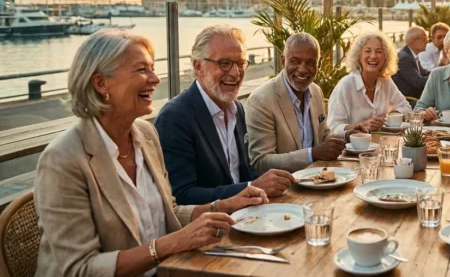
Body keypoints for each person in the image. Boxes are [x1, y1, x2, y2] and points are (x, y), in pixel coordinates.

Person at [35, 30, 268, 277]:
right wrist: (173, 243)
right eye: (141, 70)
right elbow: (79, 270)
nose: (156, 79)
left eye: (153, 68)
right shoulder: (62, 160)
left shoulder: (145, 135)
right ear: (101, 83)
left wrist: (224, 204)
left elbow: (168, 211)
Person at [156, 25, 295, 202]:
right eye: (225, 63)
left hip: (249, 218)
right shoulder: (174, 118)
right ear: (198, 66)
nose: (236, 73)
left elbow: (243, 173)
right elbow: (182, 196)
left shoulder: (237, 109)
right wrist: (251, 188)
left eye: (240, 63)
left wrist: (271, 183)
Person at [246, 33, 345, 174]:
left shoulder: (315, 91)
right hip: (285, 189)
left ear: (319, 65)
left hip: (319, 180)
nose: (303, 69)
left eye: (310, 63)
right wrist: (312, 154)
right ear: (282, 61)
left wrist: (347, 137)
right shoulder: (261, 100)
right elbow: (261, 162)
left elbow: (323, 136)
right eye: (295, 61)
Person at [328, 31, 411, 134]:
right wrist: (360, 126)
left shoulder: (385, 81)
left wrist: (385, 117)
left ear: (386, 57)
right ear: (359, 56)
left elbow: (406, 108)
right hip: (352, 147)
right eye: (367, 51)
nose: (373, 56)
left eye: (379, 51)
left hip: (381, 143)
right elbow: (333, 127)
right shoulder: (346, 85)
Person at [392, 26, 430, 103]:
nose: (427, 42)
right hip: (408, 101)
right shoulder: (403, 58)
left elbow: (424, 73)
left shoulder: (411, 55)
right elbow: (418, 82)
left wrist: (440, 72)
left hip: (416, 97)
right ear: (414, 41)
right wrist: (436, 77)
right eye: (425, 39)